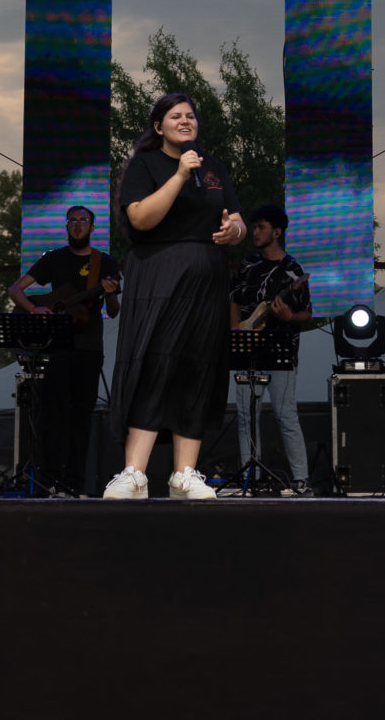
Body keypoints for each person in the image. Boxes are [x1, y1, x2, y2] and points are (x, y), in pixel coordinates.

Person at [103, 92, 244, 501]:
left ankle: (185, 474)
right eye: (176, 116)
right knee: (154, 365)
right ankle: (134, 474)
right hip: (159, 277)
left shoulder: (212, 166)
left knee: (197, 369)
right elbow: (140, 218)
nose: (186, 121)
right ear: (158, 126)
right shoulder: (145, 165)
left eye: (191, 116)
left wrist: (234, 231)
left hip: (206, 279)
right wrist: (180, 175)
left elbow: (237, 219)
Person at [8, 204, 120, 496]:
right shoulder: (54, 259)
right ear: (66, 226)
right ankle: (49, 479)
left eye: (83, 220)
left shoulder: (104, 262)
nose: (78, 224)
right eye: (73, 220)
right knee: (52, 415)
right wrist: (34, 309)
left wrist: (110, 295)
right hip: (56, 347)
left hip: (89, 348)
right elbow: (15, 290)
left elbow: (114, 310)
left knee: (81, 416)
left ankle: (74, 483)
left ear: (92, 227)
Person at [228, 206, 313, 495]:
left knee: (284, 414)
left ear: (277, 232)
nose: (255, 232)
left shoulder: (293, 271)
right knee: (246, 416)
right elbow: (233, 298)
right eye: (254, 227)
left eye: (261, 227)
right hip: (247, 348)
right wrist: (236, 329)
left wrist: (289, 316)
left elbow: (307, 313)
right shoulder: (248, 265)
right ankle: (250, 477)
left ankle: (301, 479)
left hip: (281, 351)